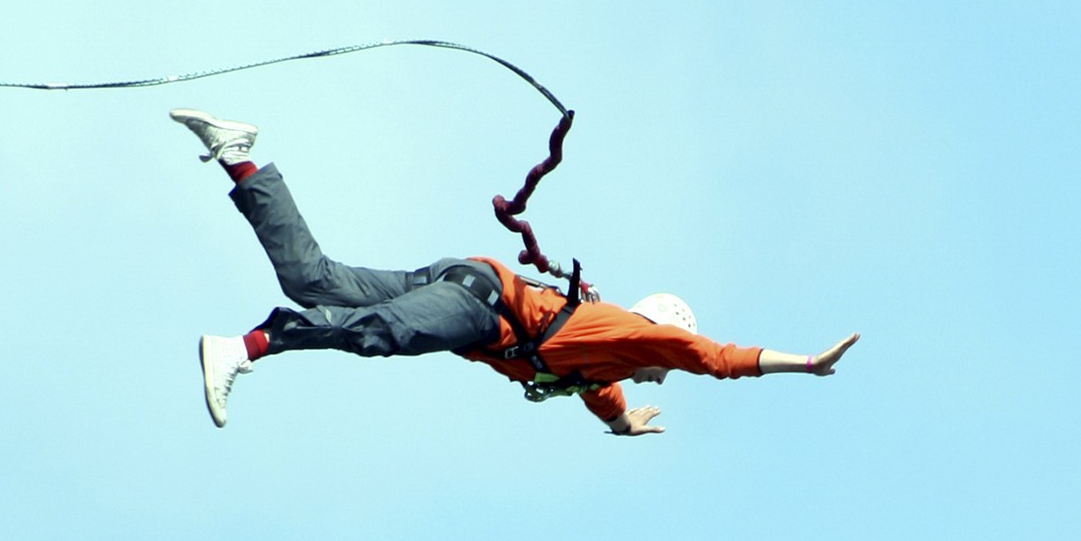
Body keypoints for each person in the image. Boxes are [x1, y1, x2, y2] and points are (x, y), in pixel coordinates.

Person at [172, 109, 860, 435]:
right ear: (661, 334)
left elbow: (595, 391)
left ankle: (240, 158)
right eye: (662, 361)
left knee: (315, 280)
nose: (659, 375)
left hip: (467, 282)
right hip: (479, 307)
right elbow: (715, 358)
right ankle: (251, 345)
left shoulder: (602, 362)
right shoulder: (638, 337)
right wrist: (804, 364)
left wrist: (620, 426)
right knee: (376, 333)